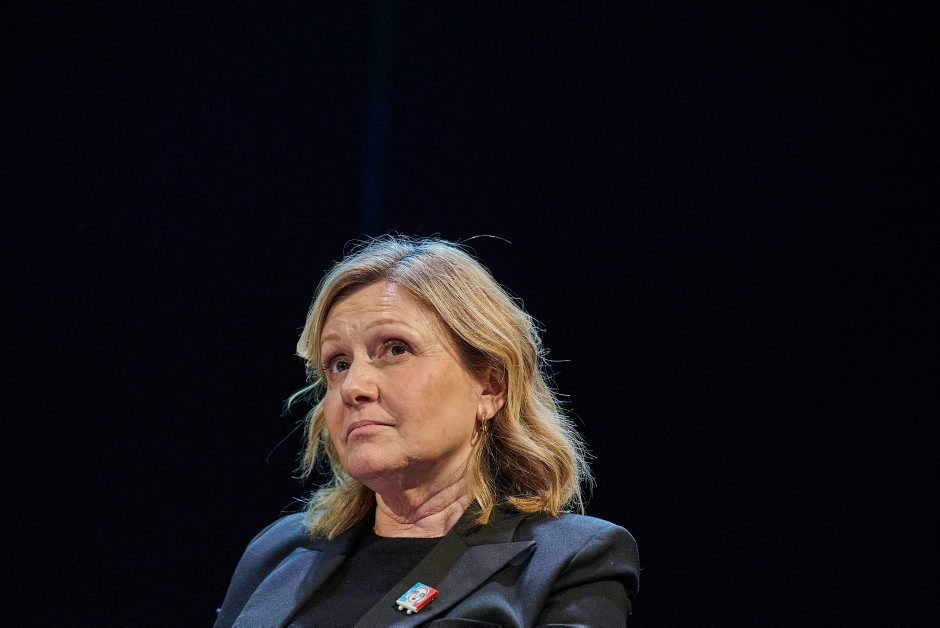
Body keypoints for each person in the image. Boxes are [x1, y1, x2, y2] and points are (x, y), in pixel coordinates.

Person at [214, 236, 640, 627]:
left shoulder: (569, 560)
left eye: (395, 349)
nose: (353, 387)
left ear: (490, 387)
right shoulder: (277, 552)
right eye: (338, 364)